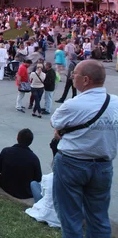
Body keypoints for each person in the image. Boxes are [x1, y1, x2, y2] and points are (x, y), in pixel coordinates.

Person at [50, 60, 118, 238]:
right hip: (103, 166)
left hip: (71, 165)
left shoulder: (73, 104)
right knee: (99, 217)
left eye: (75, 74)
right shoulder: (116, 103)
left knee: (70, 217)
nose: (72, 76)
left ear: (86, 80)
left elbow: (55, 123)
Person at [0, 128, 42, 199]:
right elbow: (38, 178)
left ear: (17, 138)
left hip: (5, 186)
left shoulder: (6, 151)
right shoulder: (34, 158)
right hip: (25, 193)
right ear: (30, 142)